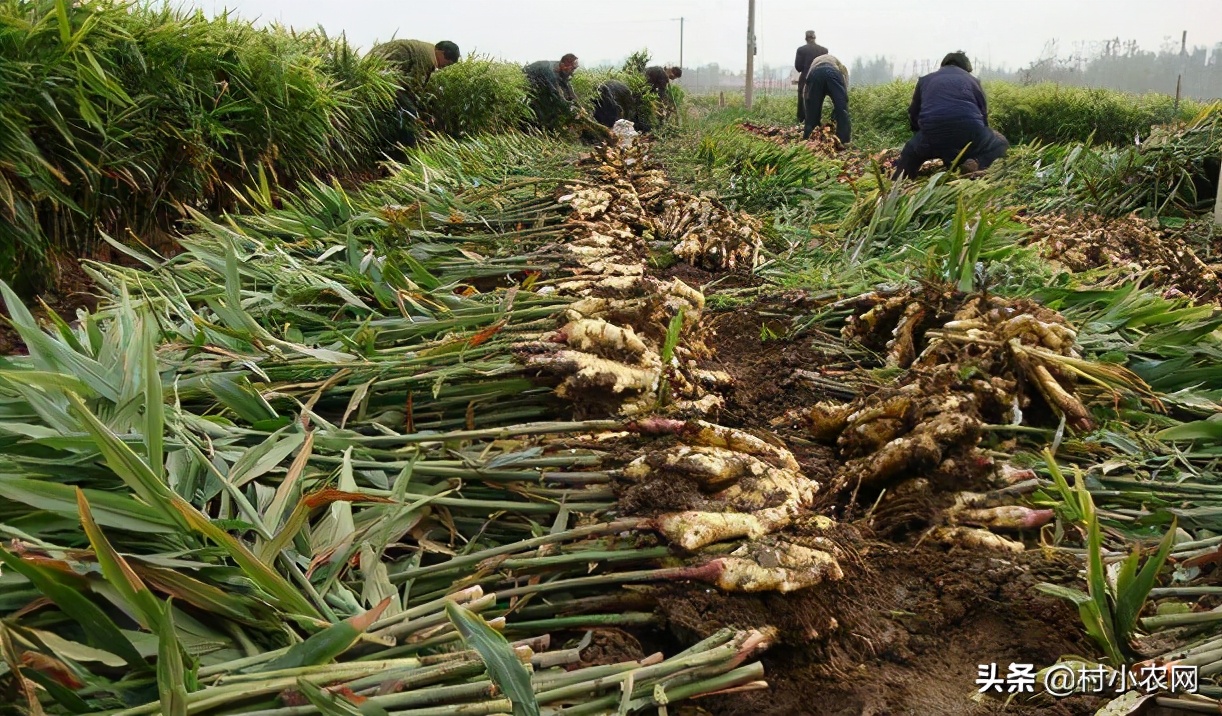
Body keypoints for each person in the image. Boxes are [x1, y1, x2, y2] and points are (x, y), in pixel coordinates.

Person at [893, 51, 1010, 180]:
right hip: (969, 133)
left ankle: (898, 181)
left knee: (910, 151)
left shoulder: (925, 80)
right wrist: (981, 136)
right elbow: (983, 114)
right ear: (966, 67)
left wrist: (920, 135)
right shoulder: (973, 81)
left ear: (944, 65)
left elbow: (914, 112)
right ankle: (976, 162)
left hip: (933, 134)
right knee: (1000, 144)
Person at [369, 39, 460, 145]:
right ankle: (408, 149)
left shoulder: (427, 51)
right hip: (380, 74)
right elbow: (413, 85)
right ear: (441, 52)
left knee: (407, 109)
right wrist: (416, 115)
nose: (444, 67)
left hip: (377, 70)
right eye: (447, 63)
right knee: (408, 113)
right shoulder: (427, 56)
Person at [803, 54, 850, 145]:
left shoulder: (813, 65)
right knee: (842, 111)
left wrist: (808, 108)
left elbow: (807, 90)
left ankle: (809, 139)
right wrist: (841, 103)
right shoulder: (839, 65)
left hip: (815, 74)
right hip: (832, 72)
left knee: (812, 114)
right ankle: (843, 141)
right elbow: (844, 85)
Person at [524, 54, 580, 128]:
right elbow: (556, 94)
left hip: (540, 86)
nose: (572, 72)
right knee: (548, 103)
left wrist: (579, 106)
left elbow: (568, 89)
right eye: (572, 69)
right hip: (527, 86)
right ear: (563, 66)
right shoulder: (549, 71)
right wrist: (569, 108)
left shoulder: (561, 70)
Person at [794, 30, 828, 123]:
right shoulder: (824, 50)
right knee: (819, 99)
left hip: (806, 77)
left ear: (806, 38)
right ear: (815, 37)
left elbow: (798, 67)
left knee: (802, 98)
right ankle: (817, 121)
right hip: (820, 78)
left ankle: (802, 120)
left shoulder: (801, 50)